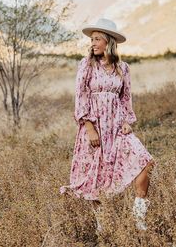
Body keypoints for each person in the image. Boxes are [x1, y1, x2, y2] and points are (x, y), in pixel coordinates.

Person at [60, 18, 155, 231]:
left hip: (117, 127)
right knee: (96, 176)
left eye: (97, 39)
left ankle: (139, 217)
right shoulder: (86, 65)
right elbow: (81, 96)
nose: (92, 43)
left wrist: (127, 122)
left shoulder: (123, 68)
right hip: (94, 127)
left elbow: (125, 98)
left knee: (146, 161)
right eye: (92, 40)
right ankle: (102, 225)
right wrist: (89, 128)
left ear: (109, 42)